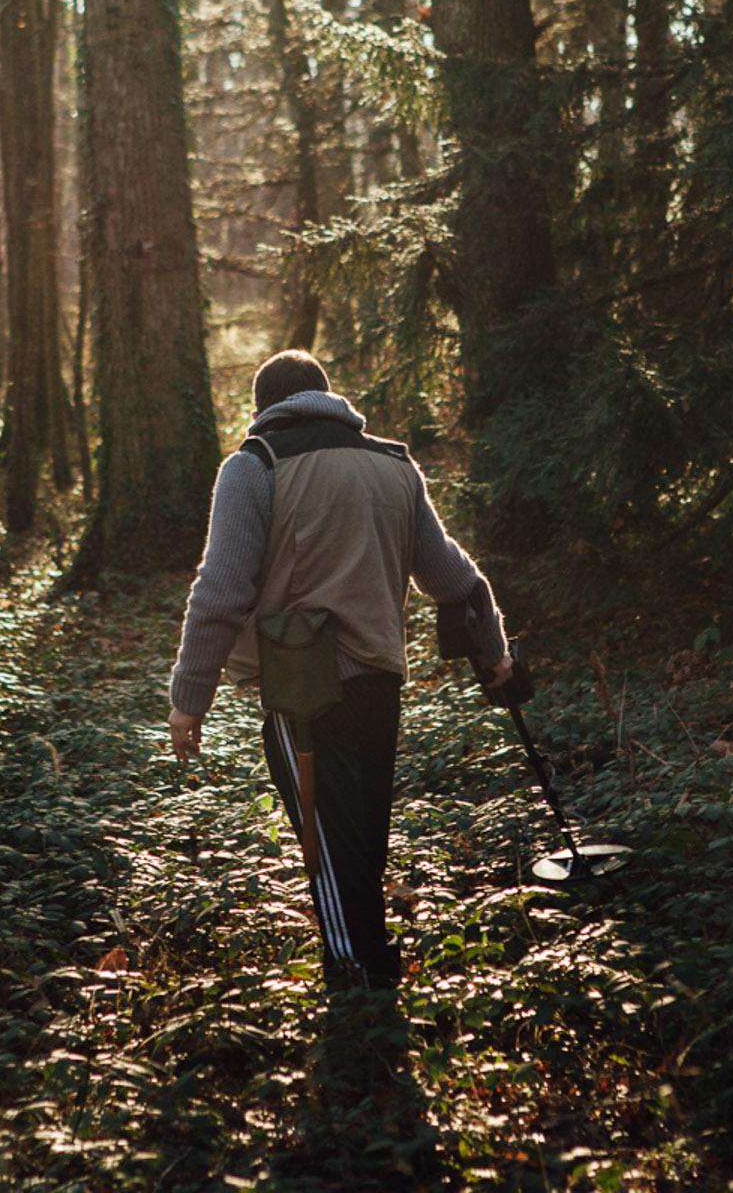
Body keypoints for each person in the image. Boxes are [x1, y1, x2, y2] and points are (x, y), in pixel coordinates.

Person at [168, 349, 512, 991]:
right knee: (364, 839)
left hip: (304, 693)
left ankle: (357, 984)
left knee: (330, 850)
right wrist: (497, 657)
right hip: (380, 683)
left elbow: (220, 589)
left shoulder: (254, 467)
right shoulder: (392, 464)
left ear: (262, 410)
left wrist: (191, 698)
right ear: (327, 398)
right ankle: (375, 968)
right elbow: (455, 580)